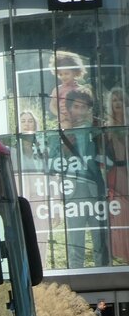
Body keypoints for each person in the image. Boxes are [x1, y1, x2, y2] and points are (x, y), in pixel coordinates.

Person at [49, 89, 109, 267]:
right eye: (77, 107)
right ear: (69, 109)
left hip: (95, 191)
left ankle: (103, 276)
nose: (81, 111)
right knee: (75, 240)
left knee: (100, 240)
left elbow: (109, 160)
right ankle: (76, 277)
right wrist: (66, 138)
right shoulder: (58, 133)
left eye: (84, 107)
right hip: (73, 193)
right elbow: (51, 165)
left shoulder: (95, 132)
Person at [104, 88, 129, 263]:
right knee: (120, 213)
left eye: (120, 99)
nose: (117, 103)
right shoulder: (107, 128)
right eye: (114, 100)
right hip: (116, 174)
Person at [49, 50, 94, 131]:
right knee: (67, 130)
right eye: (60, 74)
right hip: (65, 119)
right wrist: (59, 115)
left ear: (75, 72)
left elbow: (89, 106)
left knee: (83, 130)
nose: (63, 77)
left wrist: (86, 116)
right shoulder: (58, 89)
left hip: (80, 118)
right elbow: (52, 105)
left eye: (66, 73)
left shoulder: (81, 89)